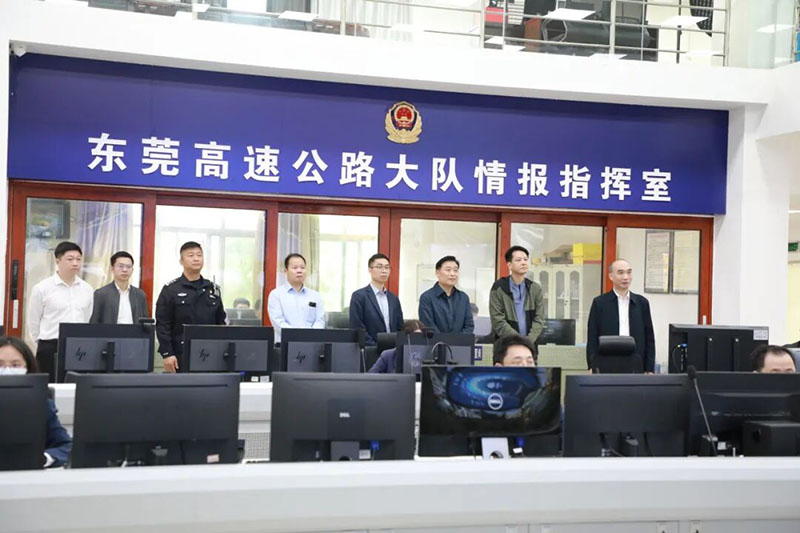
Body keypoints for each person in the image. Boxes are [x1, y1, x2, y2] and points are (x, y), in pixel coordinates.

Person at [27, 241, 94, 382]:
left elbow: (87, 317)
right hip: (50, 346)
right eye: (70, 259)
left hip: (78, 347)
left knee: (76, 386)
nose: (75, 263)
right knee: (48, 387)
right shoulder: (42, 288)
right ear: (58, 261)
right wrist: (42, 343)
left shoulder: (87, 289)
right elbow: (33, 321)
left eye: (78, 259)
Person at [0, 336, 72, 468]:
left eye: (15, 365)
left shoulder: (42, 404)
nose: (7, 370)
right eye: (0, 364)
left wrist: (43, 459)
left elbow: (67, 446)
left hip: (27, 476)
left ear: (28, 368)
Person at [155, 241, 226, 373]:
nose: (196, 259)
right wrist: (167, 353)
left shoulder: (212, 289)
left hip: (210, 353)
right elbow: (163, 324)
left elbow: (221, 322)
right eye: (191, 255)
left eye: (199, 255)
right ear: (181, 261)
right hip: (180, 354)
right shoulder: (171, 289)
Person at [586, 259, 656, 373]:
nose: (625, 277)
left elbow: (649, 338)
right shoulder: (600, 303)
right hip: (607, 361)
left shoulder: (641, 303)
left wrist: (649, 368)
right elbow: (592, 337)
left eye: (629, 272)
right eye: (620, 273)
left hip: (635, 362)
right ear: (611, 276)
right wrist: (591, 365)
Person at [489, 245, 545, 352]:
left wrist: (528, 341)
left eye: (525, 259)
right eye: (518, 260)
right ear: (509, 265)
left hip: (529, 347)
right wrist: (519, 341)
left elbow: (539, 319)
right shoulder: (499, 288)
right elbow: (498, 320)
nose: (523, 263)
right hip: (505, 347)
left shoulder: (535, 288)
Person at [267, 253, 325, 343]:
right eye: (295, 268)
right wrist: (297, 337)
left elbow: (320, 321)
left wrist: (310, 337)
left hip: (311, 343)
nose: (299, 271)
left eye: (302, 267)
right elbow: (278, 322)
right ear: (286, 271)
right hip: (284, 344)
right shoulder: (276, 295)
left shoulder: (315, 296)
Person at [349, 253, 404, 346]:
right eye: (379, 267)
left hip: (393, 350)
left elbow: (400, 326)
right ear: (370, 270)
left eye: (387, 267)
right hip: (370, 349)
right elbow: (357, 327)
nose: (384, 271)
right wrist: (375, 347)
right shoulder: (359, 296)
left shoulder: (393, 299)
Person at [418, 256, 474, 334]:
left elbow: (469, 326)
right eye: (448, 270)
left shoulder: (463, 298)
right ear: (437, 273)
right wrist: (446, 340)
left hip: (461, 342)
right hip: (435, 341)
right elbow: (428, 327)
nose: (452, 274)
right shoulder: (427, 298)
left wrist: (458, 340)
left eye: (455, 270)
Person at [89, 251, 149, 324]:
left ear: (132, 270)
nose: (125, 270)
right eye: (121, 266)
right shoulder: (101, 294)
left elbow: (145, 322)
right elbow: (94, 323)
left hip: (134, 331)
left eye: (128, 267)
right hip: (110, 331)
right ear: (112, 269)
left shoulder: (139, 294)